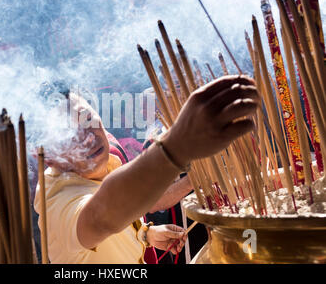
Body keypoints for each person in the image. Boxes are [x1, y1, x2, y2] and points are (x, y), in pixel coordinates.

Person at [34, 74, 259, 263]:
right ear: (49, 156)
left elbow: (117, 216)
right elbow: (100, 217)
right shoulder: (56, 201)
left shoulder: (105, 163)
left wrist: (145, 234)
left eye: (88, 119)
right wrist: (177, 146)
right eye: (69, 135)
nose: (88, 137)